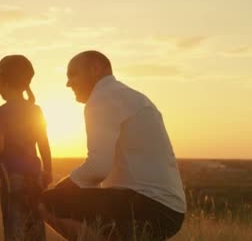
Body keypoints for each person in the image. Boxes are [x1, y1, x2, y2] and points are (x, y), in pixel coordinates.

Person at [40, 51, 186, 241]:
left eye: (73, 74)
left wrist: (62, 188)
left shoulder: (101, 98)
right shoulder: (134, 97)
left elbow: (98, 167)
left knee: (44, 202)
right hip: (170, 211)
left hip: (146, 206)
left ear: (95, 69)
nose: (69, 83)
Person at [0, 55, 53, 241]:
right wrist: (49, 171)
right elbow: (44, 144)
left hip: (12, 180)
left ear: (2, 83)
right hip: (36, 179)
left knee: (15, 229)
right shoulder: (35, 110)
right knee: (35, 226)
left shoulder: (1, 112)